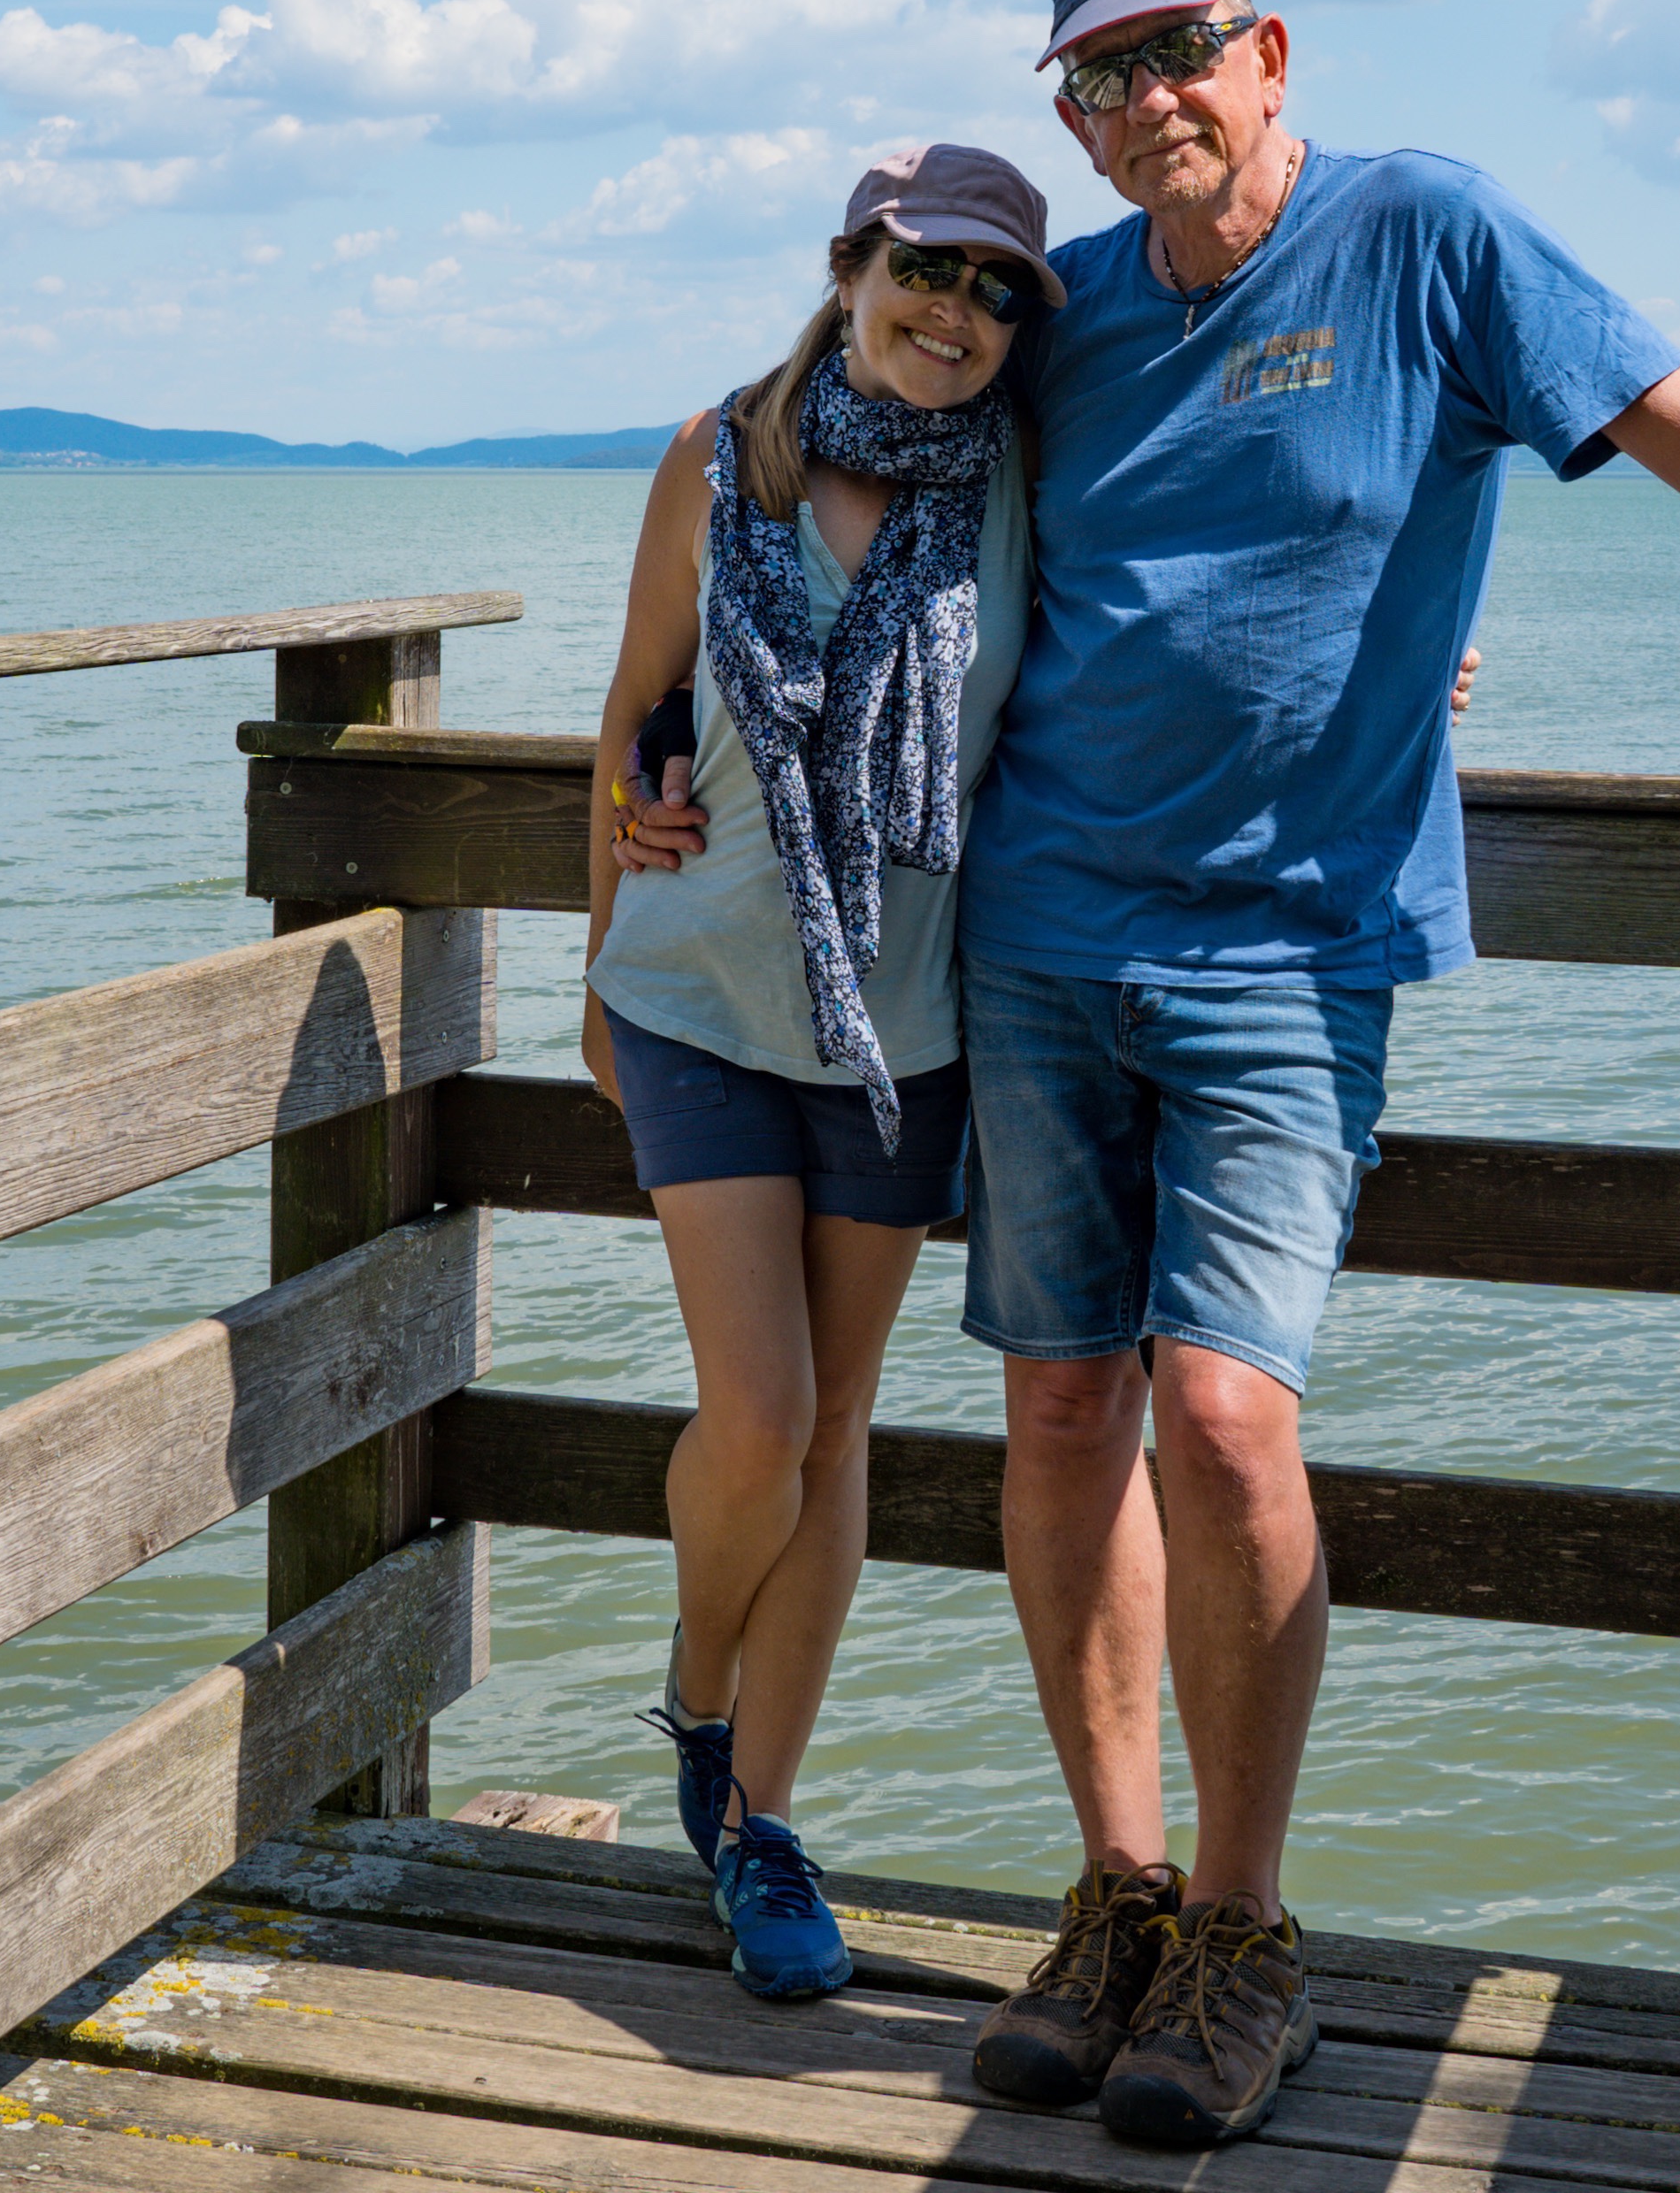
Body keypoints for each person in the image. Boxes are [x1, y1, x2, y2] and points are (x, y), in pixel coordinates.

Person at [618, 0, 1680, 2147]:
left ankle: (1245, 1931)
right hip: (1041, 936)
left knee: (1225, 1416)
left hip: (1293, 954)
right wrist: (655, 760)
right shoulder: (1066, 312)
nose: (1146, 101)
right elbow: (878, 498)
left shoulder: (1427, 236)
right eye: (1098, 78)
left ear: (1268, 51)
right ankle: (1118, 1895)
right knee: (1062, 1410)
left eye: (1181, 52)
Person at [579, 142, 1062, 2002]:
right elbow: (633, 707)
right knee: (761, 1415)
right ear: (850, 269)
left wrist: (1411, 651)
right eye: (925, 272)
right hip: (694, 997)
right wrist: (593, 958)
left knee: (838, 1427)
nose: (954, 314)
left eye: (995, 292)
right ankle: (698, 1689)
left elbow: (1215, 585)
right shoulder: (715, 456)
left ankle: (757, 1823)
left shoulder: (1024, 480)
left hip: (907, 1030)